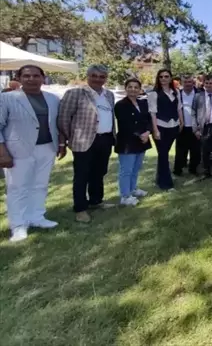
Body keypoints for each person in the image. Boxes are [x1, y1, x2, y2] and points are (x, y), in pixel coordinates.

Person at [0, 65, 65, 242]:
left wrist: (61, 143)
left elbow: (56, 123)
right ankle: (18, 225)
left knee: (40, 184)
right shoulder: (7, 98)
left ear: (43, 78)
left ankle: (37, 216)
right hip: (18, 150)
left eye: (36, 76)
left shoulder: (52, 99)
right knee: (18, 188)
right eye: (27, 76)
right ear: (19, 78)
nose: (31, 79)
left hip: (47, 148)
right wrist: (2, 152)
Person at [58, 64, 116, 223]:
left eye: (102, 77)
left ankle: (96, 201)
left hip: (105, 139)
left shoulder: (109, 94)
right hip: (83, 140)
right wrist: (71, 137)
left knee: (99, 172)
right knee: (82, 175)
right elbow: (64, 118)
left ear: (106, 78)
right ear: (88, 76)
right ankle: (80, 208)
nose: (98, 79)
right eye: (94, 76)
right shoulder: (75, 93)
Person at [114, 78, 151, 206]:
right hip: (127, 142)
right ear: (126, 88)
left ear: (140, 89)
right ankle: (125, 196)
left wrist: (147, 132)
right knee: (126, 170)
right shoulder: (120, 105)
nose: (133, 89)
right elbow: (125, 124)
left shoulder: (143, 103)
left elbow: (148, 120)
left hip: (142, 141)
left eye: (136, 87)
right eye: (130, 87)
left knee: (136, 168)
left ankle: (133, 189)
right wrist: (140, 134)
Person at [148, 69, 183, 191]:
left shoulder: (176, 92)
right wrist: (155, 130)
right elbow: (152, 113)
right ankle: (166, 184)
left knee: (163, 154)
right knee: (163, 155)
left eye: (166, 76)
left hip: (174, 127)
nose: (163, 78)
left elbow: (179, 109)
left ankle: (159, 179)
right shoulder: (154, 94)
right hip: (160, 127)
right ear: (158, 78)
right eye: (161, 76)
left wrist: (181, 122)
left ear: (170, 78)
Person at [174, 75, 201, 176]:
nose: (188, 84)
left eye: (190, 82)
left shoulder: (199, 94)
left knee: (195, 150)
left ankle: (193, 169)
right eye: (186, 82)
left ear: (193, 83)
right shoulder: (178, 94)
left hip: (195, 127)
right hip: (182, 127)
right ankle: (178, 170)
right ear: (182, 83)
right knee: (180, 150)